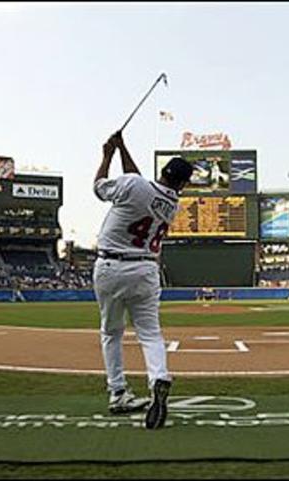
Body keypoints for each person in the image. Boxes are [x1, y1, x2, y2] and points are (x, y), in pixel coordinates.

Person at [92, 130, 193, 430]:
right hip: (146, 270)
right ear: (182, 184)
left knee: (111, 333)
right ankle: (159, 377)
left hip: (111, 266)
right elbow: (137, 183)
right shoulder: (172, 204)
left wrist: (108, 153)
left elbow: (100, 187)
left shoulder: (134, 185)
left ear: (162, 171)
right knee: (150, 333)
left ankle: (118, 392)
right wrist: (123, 148)